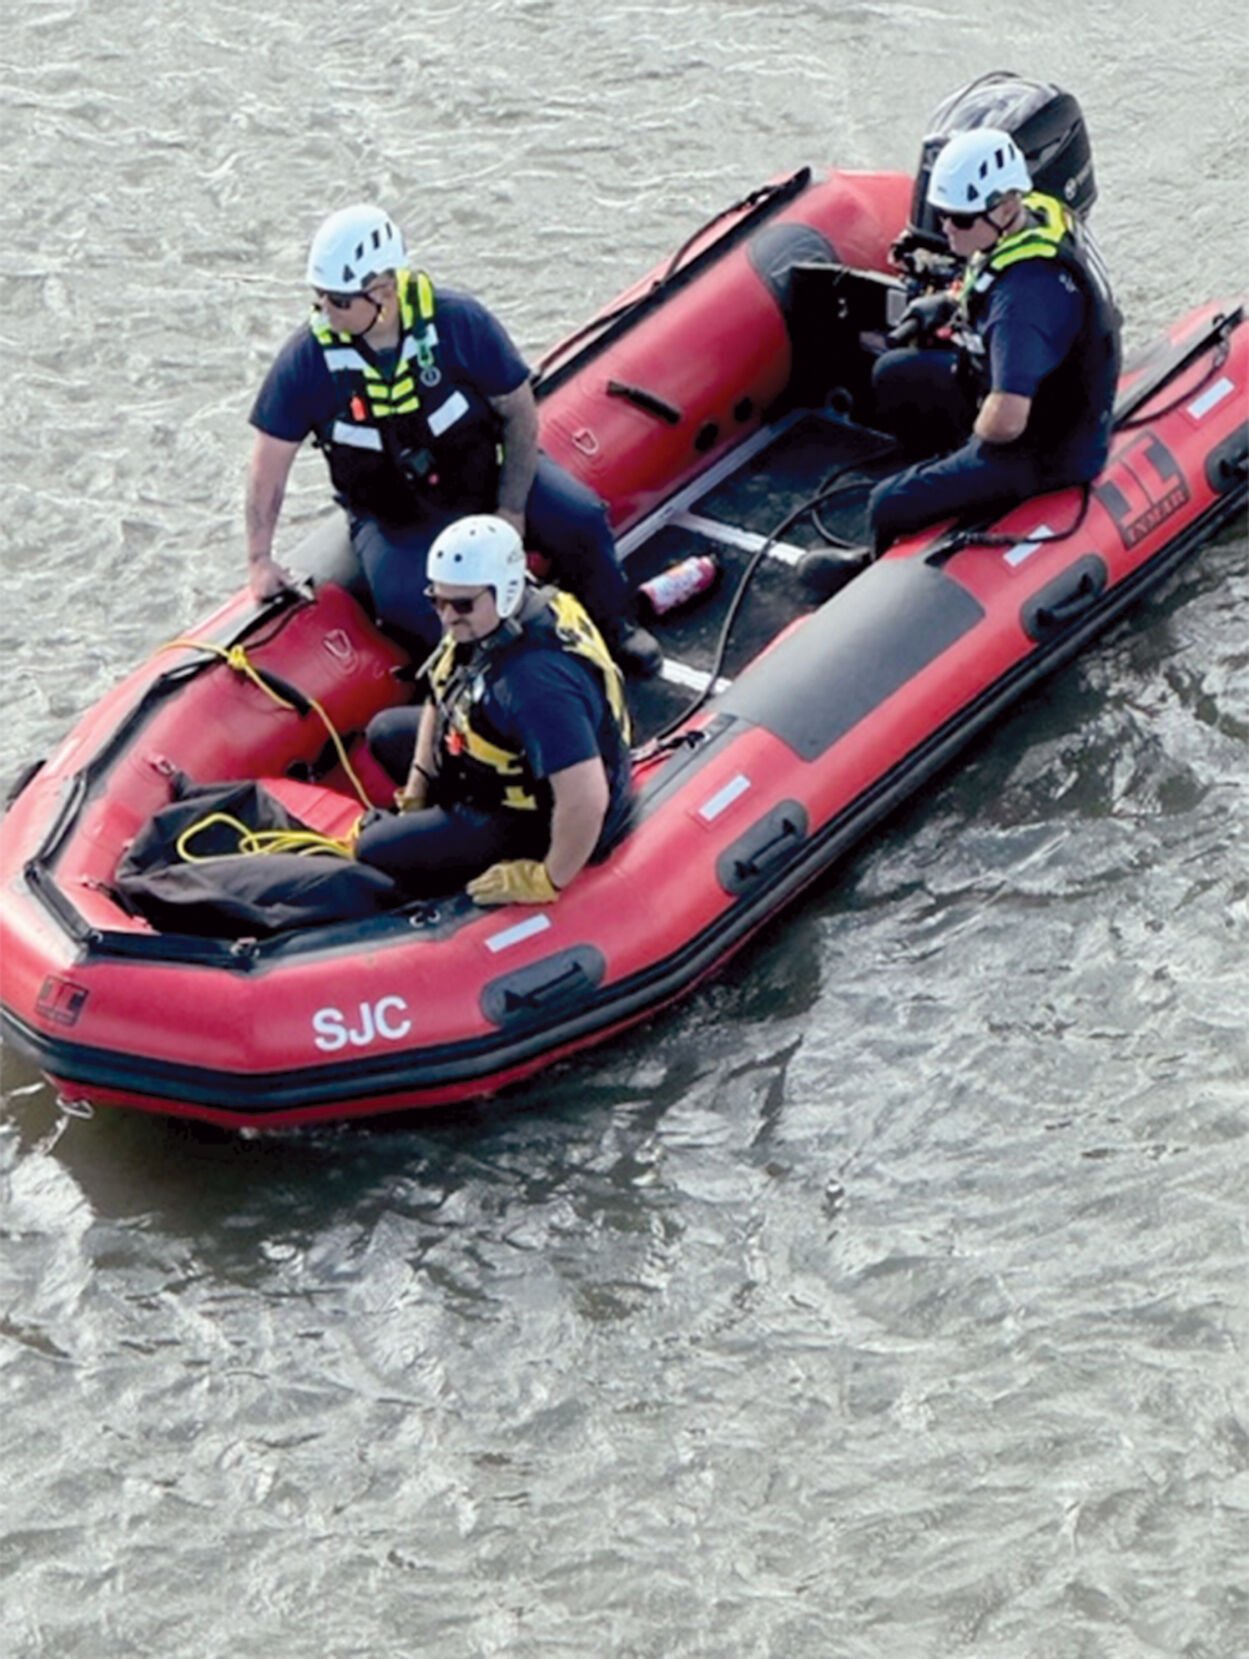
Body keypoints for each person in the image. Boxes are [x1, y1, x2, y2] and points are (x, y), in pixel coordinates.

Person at [246, 202, 662, 677]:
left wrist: (510, 509)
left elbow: (519, 414)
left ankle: (614, 626)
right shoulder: (308, 360)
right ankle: (490, 684)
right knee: (410, 599)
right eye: (319, 298)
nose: (324, 311)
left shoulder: (459, 322)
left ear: (382, 291)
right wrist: (260, 559)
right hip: (394, 517)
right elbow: (268, 465)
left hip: (484, 477)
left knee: (580, 518)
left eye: (338, 301)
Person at [798, 126, 1121, 596]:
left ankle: (877, 571)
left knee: (887, 502)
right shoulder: (1036, 216)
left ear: (1005, 206)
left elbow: (1007, 420)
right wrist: (950, 303)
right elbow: (987, 276)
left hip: (1042, 446)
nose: (947, 229)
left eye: (960, 220)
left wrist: (972, 451)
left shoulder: (1024, 302)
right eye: (943, 215)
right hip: (1026, 387)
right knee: (894, 377)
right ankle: (950, 474)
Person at [355, 514, 634, 905]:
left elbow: (585, 799)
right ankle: (444, 821)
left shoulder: (535, 686)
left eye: (461, 604)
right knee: (386, 731)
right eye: (437, 600)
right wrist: (418, 789)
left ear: (504, 591)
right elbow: (442, 690)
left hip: (531, 813)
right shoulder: (485, 622)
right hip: (501, 759)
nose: (448, 616)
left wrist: (548, 877)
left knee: (374, 850)